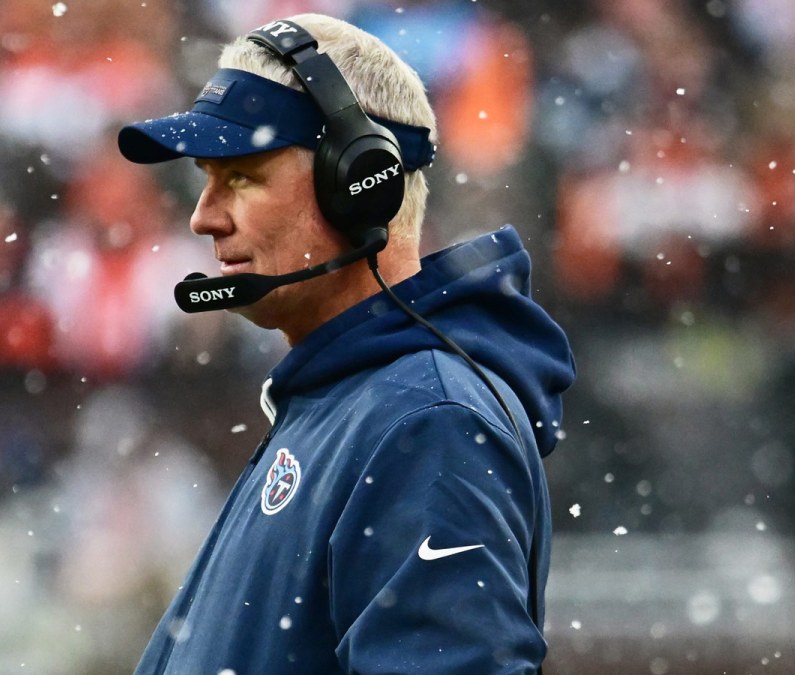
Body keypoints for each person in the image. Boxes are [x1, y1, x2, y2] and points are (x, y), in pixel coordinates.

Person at [116, 13, 575, 674]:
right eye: (205, 179)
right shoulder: (354, 399)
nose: (203, 215)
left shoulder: (425, 420)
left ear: (361, 181)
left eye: (240, 177)